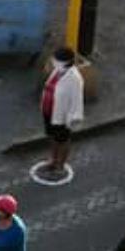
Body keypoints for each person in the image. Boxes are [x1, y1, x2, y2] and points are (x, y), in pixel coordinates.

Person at [41, 49, 84, 180]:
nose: (53, 61)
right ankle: (53, 160)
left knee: (62, 140)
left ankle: (60, 165)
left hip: (62, 117)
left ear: (64, 62)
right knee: (52, 137)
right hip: (49, 111)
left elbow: (77, 100)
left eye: (55, 60)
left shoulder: (74, 78)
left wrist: (73, 119)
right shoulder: (57, 71)